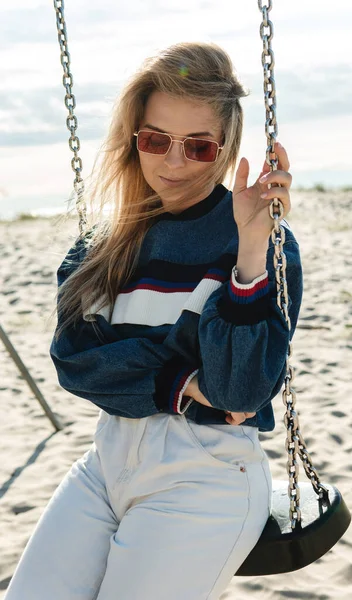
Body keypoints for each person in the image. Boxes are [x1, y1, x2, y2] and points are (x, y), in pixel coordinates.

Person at [5, 41, 302, 600]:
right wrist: (184, 380)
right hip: (106, 464)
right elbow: (76, 361)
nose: (172, 161)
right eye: (156, 140)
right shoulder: (102, 246)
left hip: (207, 476)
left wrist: (249, 256)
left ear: (223, 147)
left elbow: (240, 389)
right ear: (133, 137)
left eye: (197, 146)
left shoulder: (261, 245)